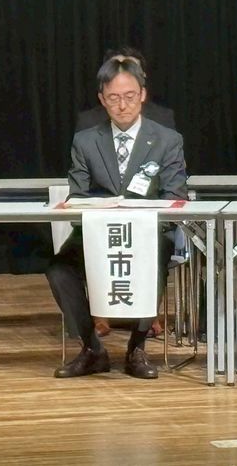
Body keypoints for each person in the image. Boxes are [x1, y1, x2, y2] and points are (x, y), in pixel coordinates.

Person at [47, 55, 187, 379]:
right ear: (102, 99)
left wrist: (144, 225)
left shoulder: (167, 140)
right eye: (113, 98)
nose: (122, 105)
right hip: (98, 233)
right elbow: (77, 196)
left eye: (129, 96)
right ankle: (92, 349)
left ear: (143, 94)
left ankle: (137, 349)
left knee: (153, 259)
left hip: (149, 233)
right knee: (58, 269)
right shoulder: (86, 141)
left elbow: (174, 197)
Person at [75, 47, 176, 132]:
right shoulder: (88, 122)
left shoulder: (162, 118)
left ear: (143, 77)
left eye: (131, 70)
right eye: (115, 70)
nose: (122, 76)